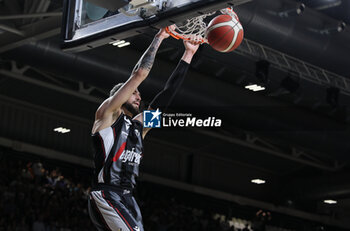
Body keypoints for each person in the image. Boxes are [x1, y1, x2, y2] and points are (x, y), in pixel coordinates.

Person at [87, 27, 200, 231]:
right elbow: (139, 74)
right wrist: (160, 37)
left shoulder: (140, 127)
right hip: (106, 194)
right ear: (120, 97)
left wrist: (188, 53)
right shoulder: (107, 114)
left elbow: (167, 95)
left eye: (138, 94)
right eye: (134, 93)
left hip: (128, 197)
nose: (139, 97)